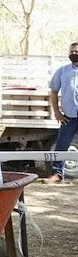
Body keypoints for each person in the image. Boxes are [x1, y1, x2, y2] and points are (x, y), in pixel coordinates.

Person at [43, 42, 78, 183]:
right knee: (61, 147)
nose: (74, 54)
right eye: (72, 52)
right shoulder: (62, 71)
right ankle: (57, 175)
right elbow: (54, 92)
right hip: (68, 117)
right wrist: (56, 112)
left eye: (76, 51)